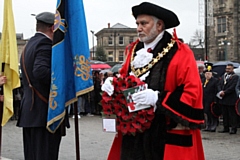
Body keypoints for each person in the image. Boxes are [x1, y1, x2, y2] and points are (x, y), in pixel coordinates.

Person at [103, 2, 205, 160]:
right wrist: (114, 84)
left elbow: (193, 94)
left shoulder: (180, 52)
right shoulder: (133, 51)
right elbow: (125, 80)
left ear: (159, 25)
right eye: (137, 23)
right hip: (133, 134)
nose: (138, 28)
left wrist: (158, 98)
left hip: (164, 133)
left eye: (144, 23)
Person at [17, 12, 62, 160]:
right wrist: (63, 79)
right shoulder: (45, 44)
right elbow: (41, 71)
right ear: (51, 28)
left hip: (31, 112)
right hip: (43, 113)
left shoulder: (29, 44)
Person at [217, 63, 239, 134]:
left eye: (229, 69)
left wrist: (225, 92)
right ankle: (225, 127)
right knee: (224, 114)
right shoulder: (223, 76)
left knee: (232, 114)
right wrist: (220, 91)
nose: (227, 70)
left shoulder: (236, 77)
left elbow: (233, 86)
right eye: (227, 68)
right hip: (223, 98)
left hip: (231, 98)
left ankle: (233, 128)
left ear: (232, 69)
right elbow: (219, 84)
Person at [202, 62, 218, 132]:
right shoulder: (203, 80)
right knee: (207, 112)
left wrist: (215, 100)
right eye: (206, 74)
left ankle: (213, 126)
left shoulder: (215, 81)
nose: (207, 75)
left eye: (209, 74)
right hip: (204, 99)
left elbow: (216, 90)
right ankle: (208, 125)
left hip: (211, 99)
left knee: (212, 113)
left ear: (211, 74)